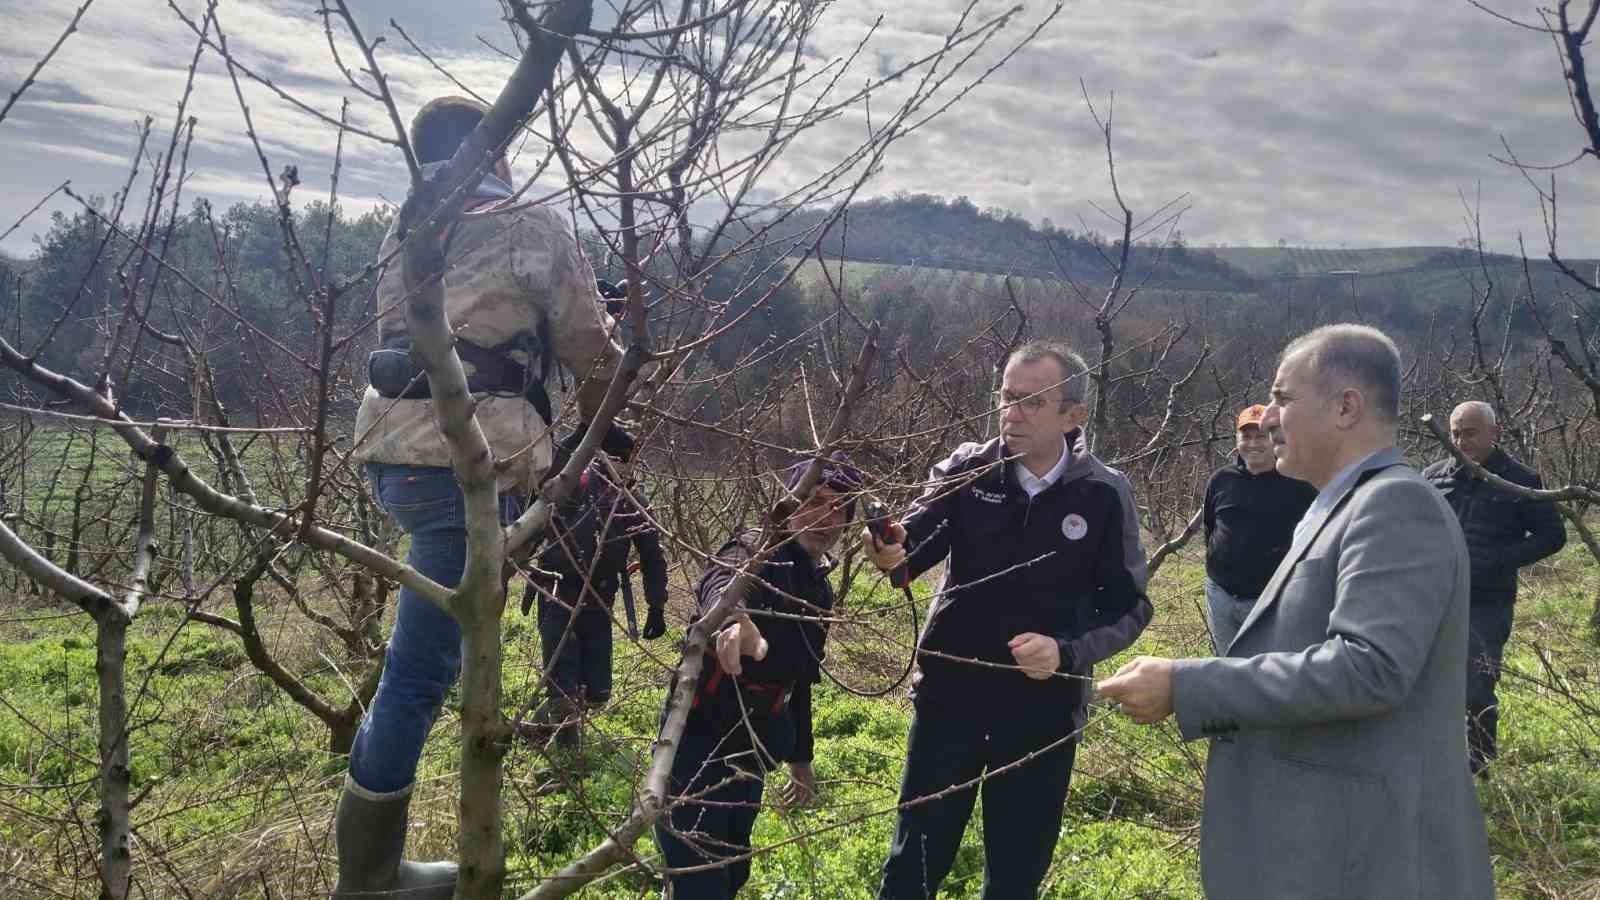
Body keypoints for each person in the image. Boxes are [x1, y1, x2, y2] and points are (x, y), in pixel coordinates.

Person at [339, 96, 623, 899]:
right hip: (466, 465)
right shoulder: (530, 222)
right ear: (494, 152)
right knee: (420, 673)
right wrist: (618, 377)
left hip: (394, 452)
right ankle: (366, 878)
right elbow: (591, 348)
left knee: (443, 653)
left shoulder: (408, 222)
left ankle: (376, 864)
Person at [1098, 324, 1493, 900]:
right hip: (1329, 843)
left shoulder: (1395, 504)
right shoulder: (1334, 507)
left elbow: (1369, 669)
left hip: (1377, 856)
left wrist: (1188, 686)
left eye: (1283, 399)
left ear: (1346, 407)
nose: (1271, 418)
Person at [862, 341, 1151, 900]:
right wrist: (892, 553)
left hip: (1042, 713)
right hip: (951, 693)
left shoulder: (1103, 494)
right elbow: (913, 547)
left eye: (1031, 402)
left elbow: (1130, 606)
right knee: (912, 866)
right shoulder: (968, 470)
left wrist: (1064, 652)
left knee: (1016, 874)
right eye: (1005, 398)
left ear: (1074, 416)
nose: (1010, 414)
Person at [655, 454, 861, 899]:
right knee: (698, 874)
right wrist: (731, 619)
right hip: (697, 738)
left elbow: (800, 680)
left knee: (732, 869)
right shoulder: (754, 550)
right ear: (789, 504)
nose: (825, 518)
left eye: (838, 509)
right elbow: (724, 583)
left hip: (751, 742)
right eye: (814, 501)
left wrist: (801, 758)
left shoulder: (818, 589)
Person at [1423, 400, 1565, 776]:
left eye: (1470, 432)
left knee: (1477, 683)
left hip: (1487, 602)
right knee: (1432, 681)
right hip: (1436, 599)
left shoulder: (1519, 479)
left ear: (1494, 433)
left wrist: (1497, 560)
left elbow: (1553, 536)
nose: (1461, 440)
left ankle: (1479, 766)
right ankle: (1437, 761)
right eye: (1455, 433)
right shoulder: (1433, 476)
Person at [523, 426, 670, 748]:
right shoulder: (573, 486)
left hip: (600, 600)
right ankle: (565, 762)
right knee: (563, 686)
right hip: (557, 593)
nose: (631, 469)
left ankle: (536, 725)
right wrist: (584, 432)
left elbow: (652, 556)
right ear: (609, 458)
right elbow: (550, 472)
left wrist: (656, 604)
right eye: (626, 461)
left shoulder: (633, 503)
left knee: (597, 692)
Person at [1201, 403, 1316, 652]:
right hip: (1220, 595)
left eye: (1261, 436)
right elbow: (1210, 528)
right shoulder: (1221, 480)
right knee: (1228, 667)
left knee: (1269, 673)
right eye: (1246, 436)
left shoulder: (1299, 484)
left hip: (1272, 601)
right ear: (1237, 439)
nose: (1253, 443)